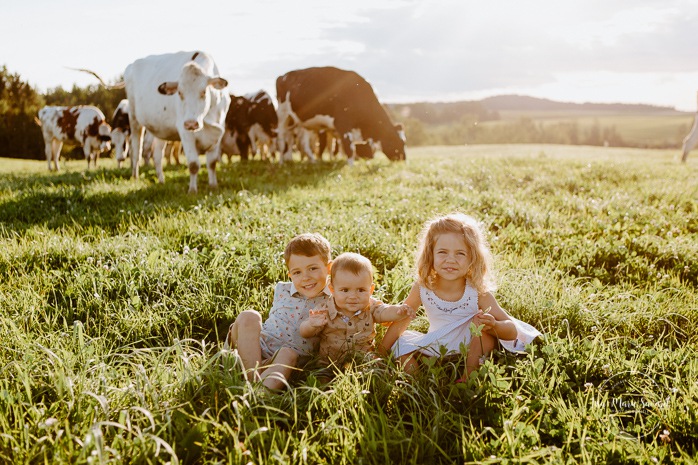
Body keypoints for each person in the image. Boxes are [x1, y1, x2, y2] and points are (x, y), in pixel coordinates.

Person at [391, 213, 541, 380]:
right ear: (430, 254)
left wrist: (494, 326)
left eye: (460, 254)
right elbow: (402, 320)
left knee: (484, 331)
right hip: (436, 346)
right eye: (442, 252)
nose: (451, 260)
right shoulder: (423, 287)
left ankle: (468, 376)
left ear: (472, 258)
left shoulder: (477, 291)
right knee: (400, 345)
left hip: (471, 346)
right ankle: (416, 380)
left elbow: (512, 331)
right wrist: (381, 352)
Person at [223, 232, 334, 390]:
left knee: (288, 353)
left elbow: (359, 300)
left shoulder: (335, 300)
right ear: (290, 274)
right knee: (249, 316)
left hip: (283, 363)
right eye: (297, 272)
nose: (306, 277)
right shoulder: (282, 289)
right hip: (251, 348)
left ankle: (258, 394)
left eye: (313, 268)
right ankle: (253, 378)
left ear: (329, 268)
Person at [299, 252, 415, 376]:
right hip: (329, 361)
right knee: (322, 377)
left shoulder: (371, 306)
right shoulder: (324, 309)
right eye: (345, 290)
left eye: (361, 290)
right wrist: (312, 324)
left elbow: (384, 312)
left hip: (363, 360)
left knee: (378, 373)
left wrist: (399, 311)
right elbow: (304, 332)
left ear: (370, 290)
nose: (353, 296)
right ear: (332, 289)